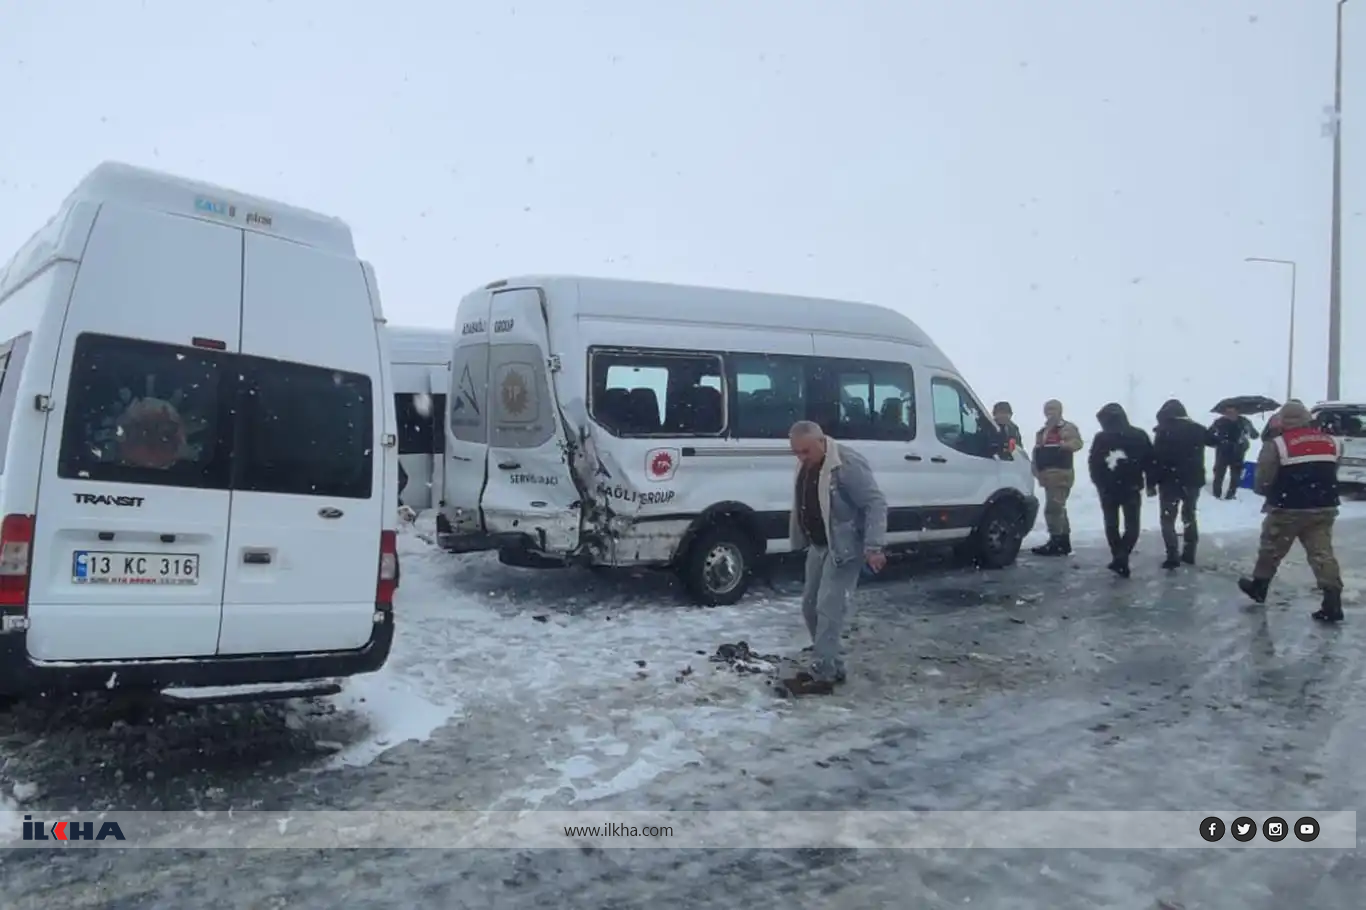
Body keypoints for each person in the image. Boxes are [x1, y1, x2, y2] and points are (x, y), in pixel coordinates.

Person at [782, 420, 888, 696]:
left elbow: (875, 503)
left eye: (805, 451)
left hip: (844, 547)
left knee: (829, 610)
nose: (800, 458)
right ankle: (831, 662)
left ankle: (824, 673)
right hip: (818, 545)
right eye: (796, 452)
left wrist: (874, 546)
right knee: (809, 606)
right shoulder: (809, 462)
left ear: (820, 441)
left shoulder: (847, 464)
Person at [1237, 401, 1345, 622]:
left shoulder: (1278, 444)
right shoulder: (1332, 441)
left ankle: (1259, 587)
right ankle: (1332, 601)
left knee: (1271, 548)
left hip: (1288, 507)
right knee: (1322, 553)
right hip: (1324, 506)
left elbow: (1263, 478)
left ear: (1283, 420)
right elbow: (1332, 469)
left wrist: (1267, 492)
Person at [1088, 403, 1154, 578]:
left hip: (1108, 488)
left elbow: (1093, 462)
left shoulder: (1102, 438)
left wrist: (1099, 482)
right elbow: (1150, 461)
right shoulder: (1139, 435)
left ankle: (1118, 556)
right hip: (1131, 486)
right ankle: (1122, 555)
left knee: (1111, 524)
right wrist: (1150, 483)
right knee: (1132, 524)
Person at [1149, 399, 1208, 568]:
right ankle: (1189, 553)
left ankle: (1172, 555)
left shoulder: (1163, 431)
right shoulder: (1197, 429)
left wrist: (1152, 483)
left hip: (1169, 482)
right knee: (1189, 515)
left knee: (1168, 519)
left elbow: (1156, 459)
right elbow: (1215, 440)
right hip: (1192, 481)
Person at [1030, 399, 1084, 556]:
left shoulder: (1067, 428)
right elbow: (1037, 451)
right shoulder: (1043, 431)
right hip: (1047, 474)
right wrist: (1036, 469)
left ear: (1060, 411)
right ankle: (1062, 541)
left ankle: (1057, 541)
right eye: (1048, 410)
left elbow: (1077, 443)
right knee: (1058, 508)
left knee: (1054, 508)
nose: (1050, 413)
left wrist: (1065, 445)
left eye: (1053, 409)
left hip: (1061, 472)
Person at [1207, 406, 1256, 499]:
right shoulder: (1219, 422)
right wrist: (1216, 441)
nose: (1230, 415)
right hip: (1223, 451)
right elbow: (1209, 434)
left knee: (1235, 475)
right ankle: (1216, 494)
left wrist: (1248, 431)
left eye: (1232, 412)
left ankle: (1231, 494)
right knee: (1219, 473)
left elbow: (1254, 435)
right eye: (1227, 412)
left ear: (1237, 412)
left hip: (1238, 451)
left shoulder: (1244, 421)